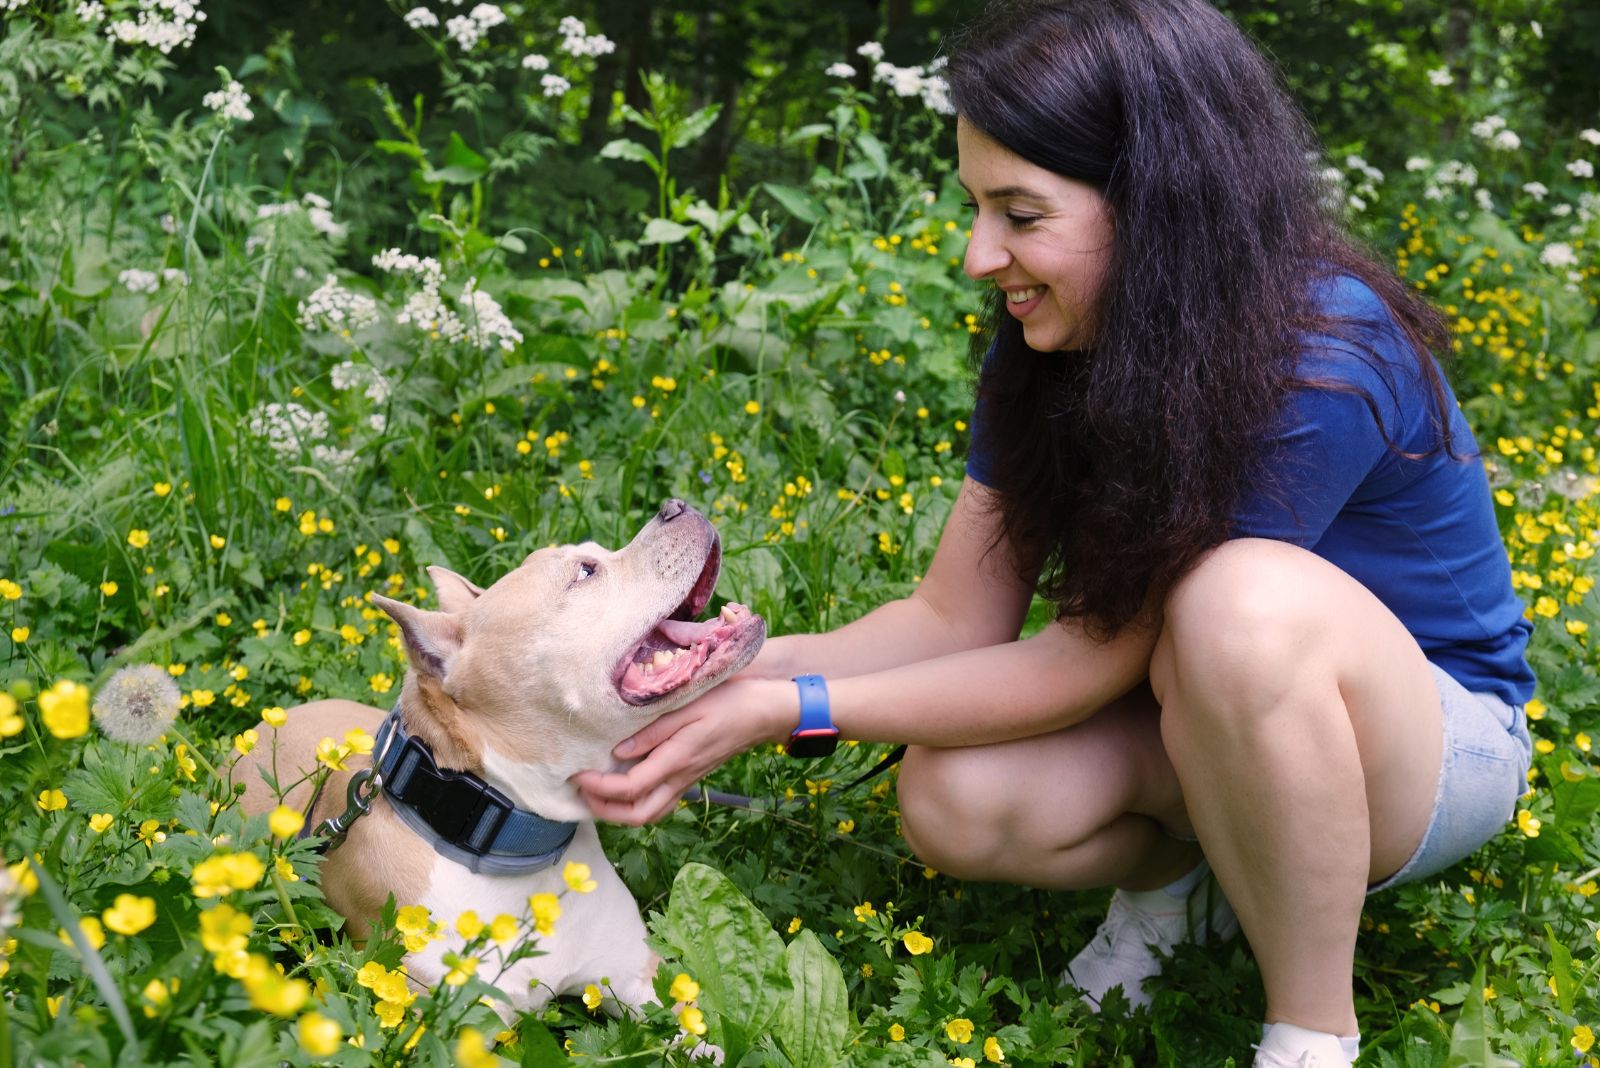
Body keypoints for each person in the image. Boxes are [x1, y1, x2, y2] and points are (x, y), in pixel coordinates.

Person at [574, 1, 1535, 1064]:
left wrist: (788, 711)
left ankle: (1310, 1031)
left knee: (1238, 600)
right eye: (977, 207)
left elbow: (1089, 661)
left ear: (1162, 203)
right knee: (950, 797)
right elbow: (951, 618)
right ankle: (1180, 890)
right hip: (1202, 712)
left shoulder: (1318, 351)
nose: (981, 254)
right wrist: (710, 674)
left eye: (1020, 214)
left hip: (1430, 749)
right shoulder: (1049, 343)